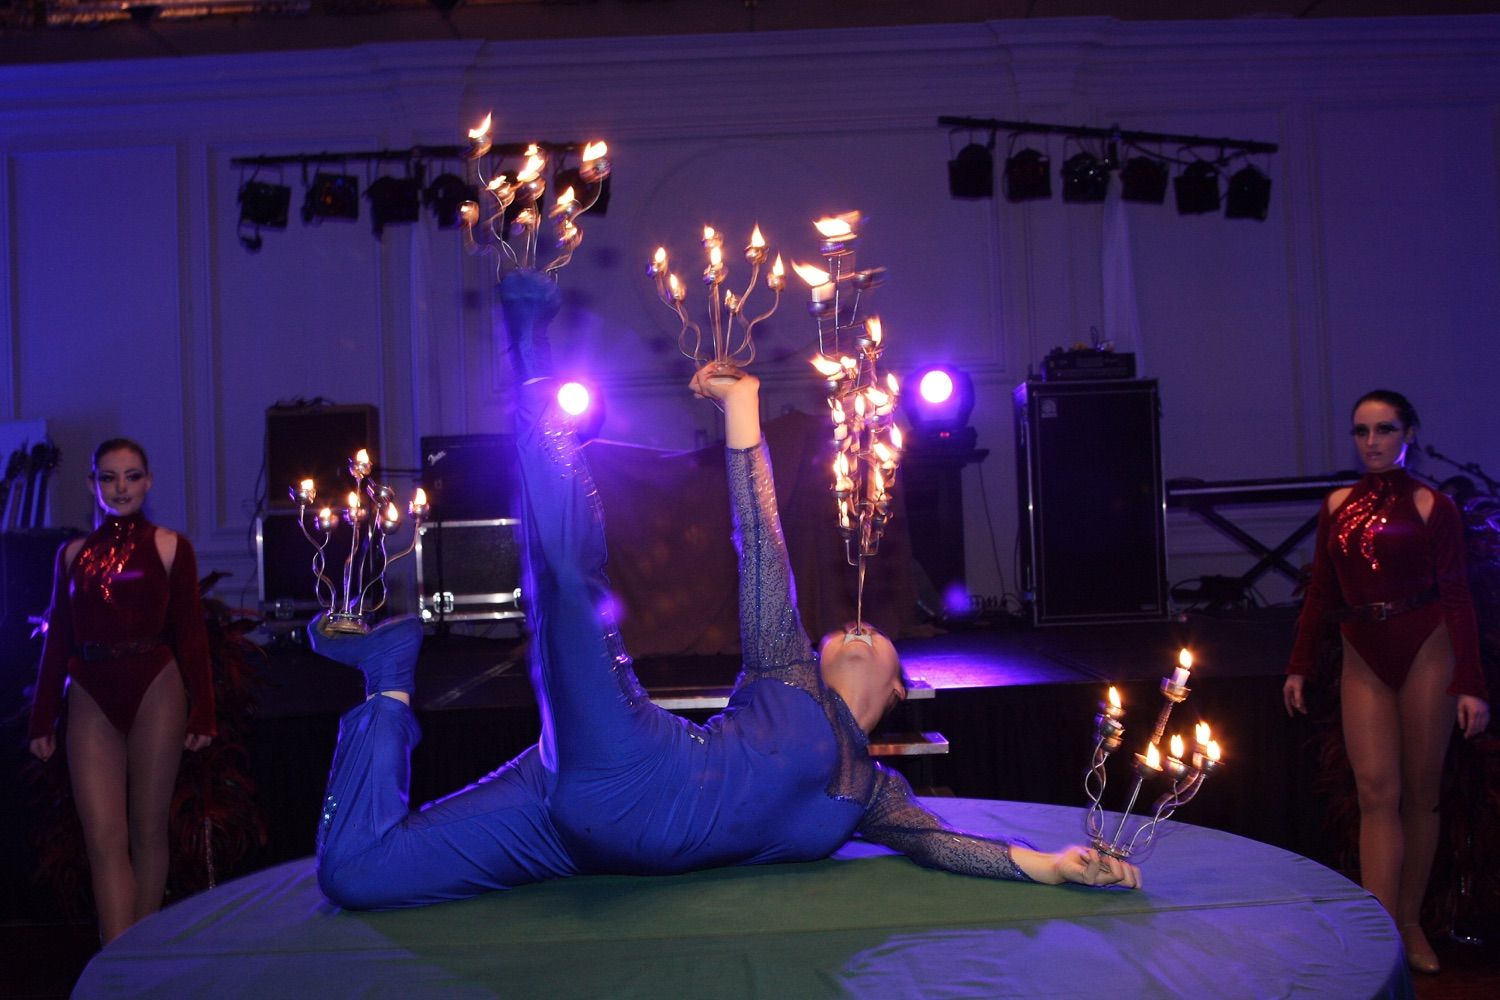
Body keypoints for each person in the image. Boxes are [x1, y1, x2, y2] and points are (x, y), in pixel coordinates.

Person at [308, 271, 1138, 912]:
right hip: (627, 767)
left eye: (874, 639)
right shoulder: (786, 673)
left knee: (355, 876)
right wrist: (745, 412)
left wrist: (1054, 868)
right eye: (840, 629)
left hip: (565, 839)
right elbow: (761, 546)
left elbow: (947, 848)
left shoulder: (876, 796)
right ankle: (528, 346)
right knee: (566, 582)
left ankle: (387, 678)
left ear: (899, 687)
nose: (853, 629)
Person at [1283, 390, 1491, 974]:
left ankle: (1408, 920)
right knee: (1377, 793)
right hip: (1362, 650)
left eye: (1384, 429)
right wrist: (1298, 664)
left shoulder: (1433, 506)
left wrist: (1471, 683)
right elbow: (1321, 590)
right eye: (1361, 431)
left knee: (1421, 796)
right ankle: (1381, 933)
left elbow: (1458, 596)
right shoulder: (1337, 504)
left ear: (1409, 435)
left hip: (1427, 646)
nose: (1372, 441)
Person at [27, 439, 216, 944]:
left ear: (148, 481)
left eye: (132, 476)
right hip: (89, 689)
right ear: (93, 484)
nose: (121, 486)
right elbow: (58, 638)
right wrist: (40, 719)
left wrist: (204, 714)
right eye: (109, 477)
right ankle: (117, 969)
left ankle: (142, 956)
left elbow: (192, 632)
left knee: (147, 829)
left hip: (155, 684)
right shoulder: (70, 555)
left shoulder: (171, 546)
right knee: (103, 839)